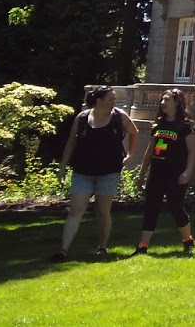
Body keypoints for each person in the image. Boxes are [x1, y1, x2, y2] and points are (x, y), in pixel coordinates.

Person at [54, 86, 138, 261]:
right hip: (83, 171)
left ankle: (102, 246)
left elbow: (134, 133)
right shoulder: (82, 118)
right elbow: (71, 142)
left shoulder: (119, 117)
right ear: (99, 101)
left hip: (109, 172)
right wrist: (62, 167)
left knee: (103, 211)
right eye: (111, 99)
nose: (114, 102)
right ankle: (63, 250)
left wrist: (130, 155)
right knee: (76, 210)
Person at [134, 88, 195, 255]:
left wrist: (188, 171)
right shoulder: (158, 125)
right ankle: (142, 246)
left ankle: (187, 240)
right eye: (162, 100)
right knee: (151, 207)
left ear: (177, 103)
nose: (162, 103)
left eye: (167, 100)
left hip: (176, 173)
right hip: (157, 172)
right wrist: (141, 174)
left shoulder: (185, 126)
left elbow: (192, 150)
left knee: (175, 205)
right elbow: (150, 151)